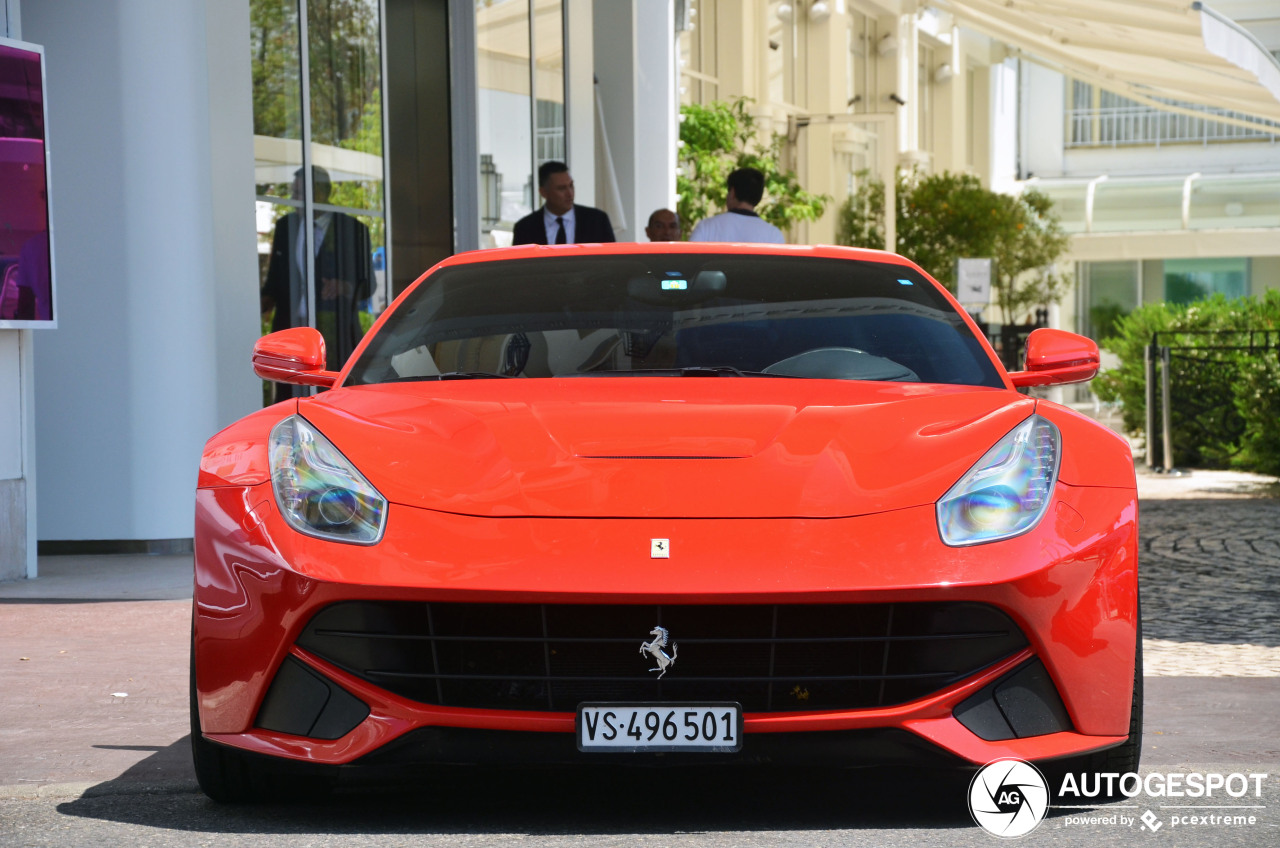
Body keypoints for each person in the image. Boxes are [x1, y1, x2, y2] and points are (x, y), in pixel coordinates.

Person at [262, 166, 373, 400]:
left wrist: (345, 287)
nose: (293, 199)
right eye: (294, 192)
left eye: (299, 193)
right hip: (290, 332)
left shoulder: (352, 230)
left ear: (321, 194)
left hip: (334, 335)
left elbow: (368, 286)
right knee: (288, 399)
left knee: (331, 399)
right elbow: (274, 281)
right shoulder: (285, 227)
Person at [512, 161, 616, 245]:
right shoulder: (525, 228)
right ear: (543, 192)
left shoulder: (597, 221)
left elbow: (611, 262)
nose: (569, 193)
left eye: (571, 186)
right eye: (561, 188)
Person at [688, 167, 785, 244]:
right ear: (759, 197)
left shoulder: (706, 227)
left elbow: (691, 265)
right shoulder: (773, 235)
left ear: (732, 193)